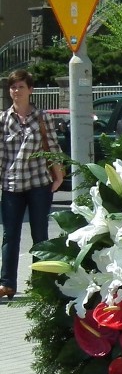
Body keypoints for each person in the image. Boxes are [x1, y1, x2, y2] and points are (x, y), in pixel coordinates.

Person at [0, 69, 64, 299]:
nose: (16, 91)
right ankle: (7, 283)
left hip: (38, 183)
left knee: (40, 235)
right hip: (11, 185)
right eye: (13, 87)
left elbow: (53, 147)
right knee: (10, 236)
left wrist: (58, 177)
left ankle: (41, 283)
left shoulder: (42, 117)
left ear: (30, 90)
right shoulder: (3, 119)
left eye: (20, 87)